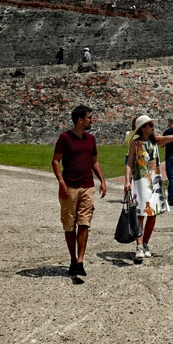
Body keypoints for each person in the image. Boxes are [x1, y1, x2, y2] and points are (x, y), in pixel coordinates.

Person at [124, 115, 173, 263]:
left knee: (152, 215)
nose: (153, 127)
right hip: (140, 181)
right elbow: (129, 163)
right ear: (142, 128)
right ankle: (139, 246)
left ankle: (146, 243)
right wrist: (126, 181)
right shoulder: (135, 143)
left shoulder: (156, 140)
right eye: (150, 125)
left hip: (155, 181)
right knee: (141, 214)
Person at [52, 104, 107, 278]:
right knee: (69, 224)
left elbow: (94, 162)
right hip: (69, 186)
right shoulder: (65, 138)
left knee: (84, 223)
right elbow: (55, 161)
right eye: (89, 117)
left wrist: (102, 181)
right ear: (80, 120)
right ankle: (73, 259)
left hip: (87, 186)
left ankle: (81, 261)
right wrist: (61, 182)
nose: (92, 120)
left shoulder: (90, 139)